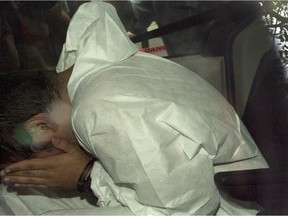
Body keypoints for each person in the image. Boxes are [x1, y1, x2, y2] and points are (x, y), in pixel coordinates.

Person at [1, 1, 268, 215]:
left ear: (40, 127)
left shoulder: (103, 108)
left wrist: (86, 176)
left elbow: (187, 210)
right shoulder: (82, 75)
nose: (43, 171)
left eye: (32, 167)